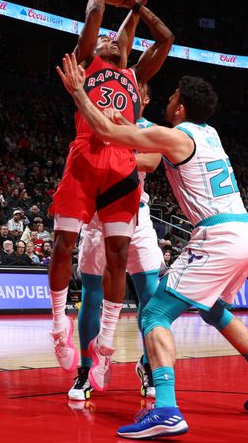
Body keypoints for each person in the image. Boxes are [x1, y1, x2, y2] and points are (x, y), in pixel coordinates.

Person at [57, 59, 248, 438]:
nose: (167, 100)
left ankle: (166, 408)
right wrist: (127, 122)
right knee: (214, 309)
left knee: (153, 315)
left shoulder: (177, 136)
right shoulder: (209, 133)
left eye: (172, 97)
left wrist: (79, 92)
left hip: (219, 238)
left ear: (180, 108)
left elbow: (107, 131)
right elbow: (146, 145)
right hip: (247, 233)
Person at [49, 0, 173, 383]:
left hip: (120, 170)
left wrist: (138, 6)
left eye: (113, 40)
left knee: (124, 267)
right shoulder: (89, 60)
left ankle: (106, 349)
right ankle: (60, 331)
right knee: (64, 246)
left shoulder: (137, 77)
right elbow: (95, 26)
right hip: (86, 157)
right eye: (106, 40)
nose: (107, 40)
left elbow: (165, 39)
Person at [69, 83, 163, 400]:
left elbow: (150, 162)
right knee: (91, 295)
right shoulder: (95, 118)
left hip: (137, 215)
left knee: (151, 295)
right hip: (98, 217)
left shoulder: (148, 128)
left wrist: (107, 158)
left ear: (143, 100)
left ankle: (148, 366)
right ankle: (84, 368)